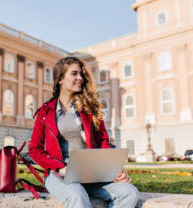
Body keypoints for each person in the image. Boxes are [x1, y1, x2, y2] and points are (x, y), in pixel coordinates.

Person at [29, 56, 139, 208]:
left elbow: (103, 142)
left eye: (81, 74)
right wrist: (60, 167)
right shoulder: (45, 112)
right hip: (59, 175)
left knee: (129, 192)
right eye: (74, 74)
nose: (80, 78)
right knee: (77, 195)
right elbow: (35, 150)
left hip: (92, 175)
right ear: (60, 79)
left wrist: (114, 170)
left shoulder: (89, 109)